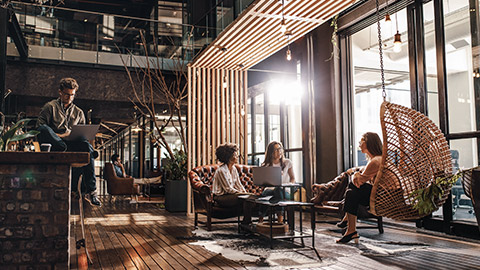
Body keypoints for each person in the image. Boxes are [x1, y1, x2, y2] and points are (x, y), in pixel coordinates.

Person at [37, 77, 101, 206]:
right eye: (67, 94)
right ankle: (89, 151)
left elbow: (82, 134)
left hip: (72, 144)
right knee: (44, 129)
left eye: (72, 95)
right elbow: (39, 130)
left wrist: (72, 136)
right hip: (57, 144)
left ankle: (92, 191)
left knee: (84, 143)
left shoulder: (79, 112)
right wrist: (61, 136)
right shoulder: (50, 107)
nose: (69, 98)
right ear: (60, 92)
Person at [336, 132, 383, 244]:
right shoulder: (377, 159)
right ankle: (350, 230)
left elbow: (359, 182)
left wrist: (354, 175)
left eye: (361, 141)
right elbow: (363, 171)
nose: (359, 144)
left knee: (352, 189)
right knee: (351, 193)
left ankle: (349, 225)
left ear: (369, 143)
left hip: (381, 197)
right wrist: (356, 171)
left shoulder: (375, 161)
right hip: (382, 194)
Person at [212, 143, 254, 224]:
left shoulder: (234, 168)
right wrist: (243, 194)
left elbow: (238, 185)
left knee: (249, 198)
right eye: (235, 155)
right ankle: (247, 223)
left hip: (230, 195)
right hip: (220, 197)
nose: (237, 156)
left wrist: (246, 193)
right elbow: (228, 189)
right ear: (229, 157)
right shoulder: (221, 170)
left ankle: (246, 222)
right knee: (247, 197)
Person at [258, 141, 296, 224]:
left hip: (284, 190)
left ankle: (277, 219)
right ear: (271, 152)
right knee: (270, 192)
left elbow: (293, 179)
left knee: (278, 190)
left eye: (280, 149)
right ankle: (273, 219)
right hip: (270, 189)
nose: (279, 151)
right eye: (276, 150)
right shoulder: (266, 165)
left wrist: (288, 184)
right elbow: (263, 182)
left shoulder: (287, 163)